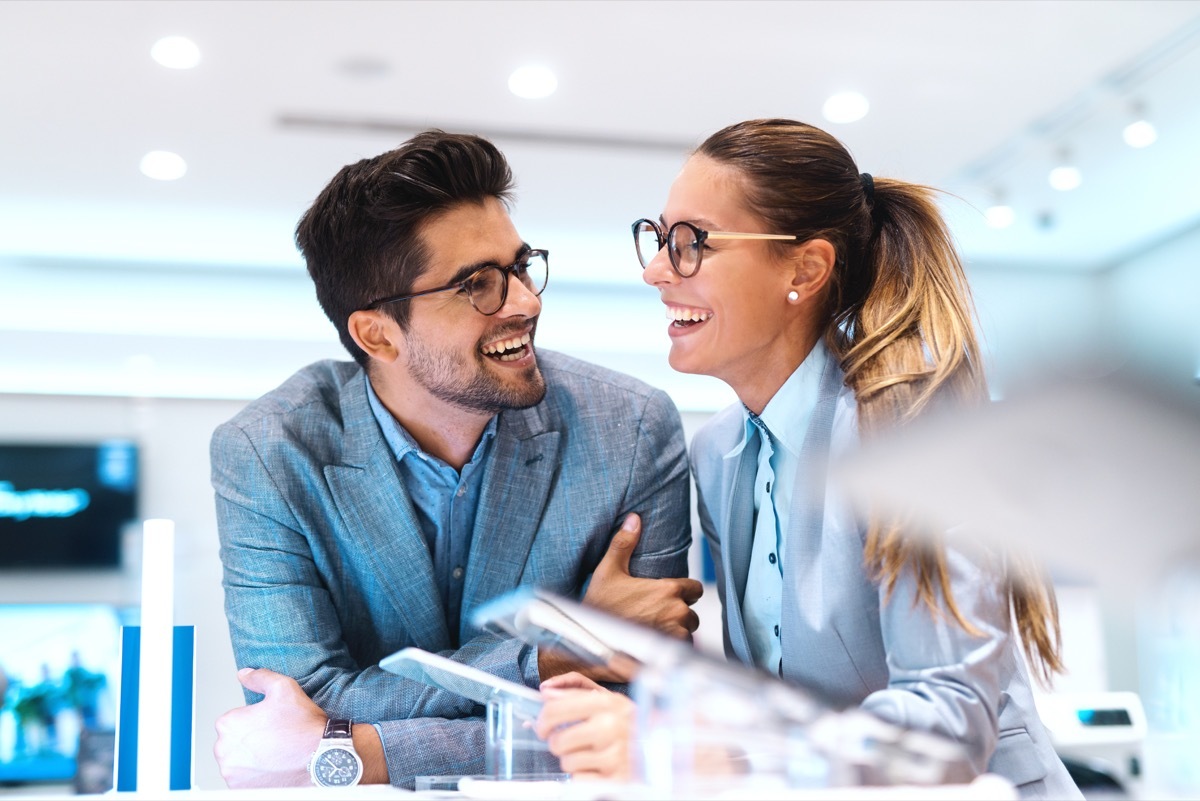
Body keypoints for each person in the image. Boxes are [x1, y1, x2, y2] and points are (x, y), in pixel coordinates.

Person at [534, 118, 1081, 799]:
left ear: (806, 268)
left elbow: (947, 723)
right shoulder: (716, 452)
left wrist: (701, 753)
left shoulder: (910, 428)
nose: (655, 271)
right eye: (658, 236)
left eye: (691, 243)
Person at [209, 130, 702, 789]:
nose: (526, 301)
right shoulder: (268, 451)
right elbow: (295, 709)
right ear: (377, 334)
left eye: (521, 267)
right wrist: (556, 654)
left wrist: (361, 750)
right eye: (478, 284)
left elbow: (634, 727)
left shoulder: (632, 428)